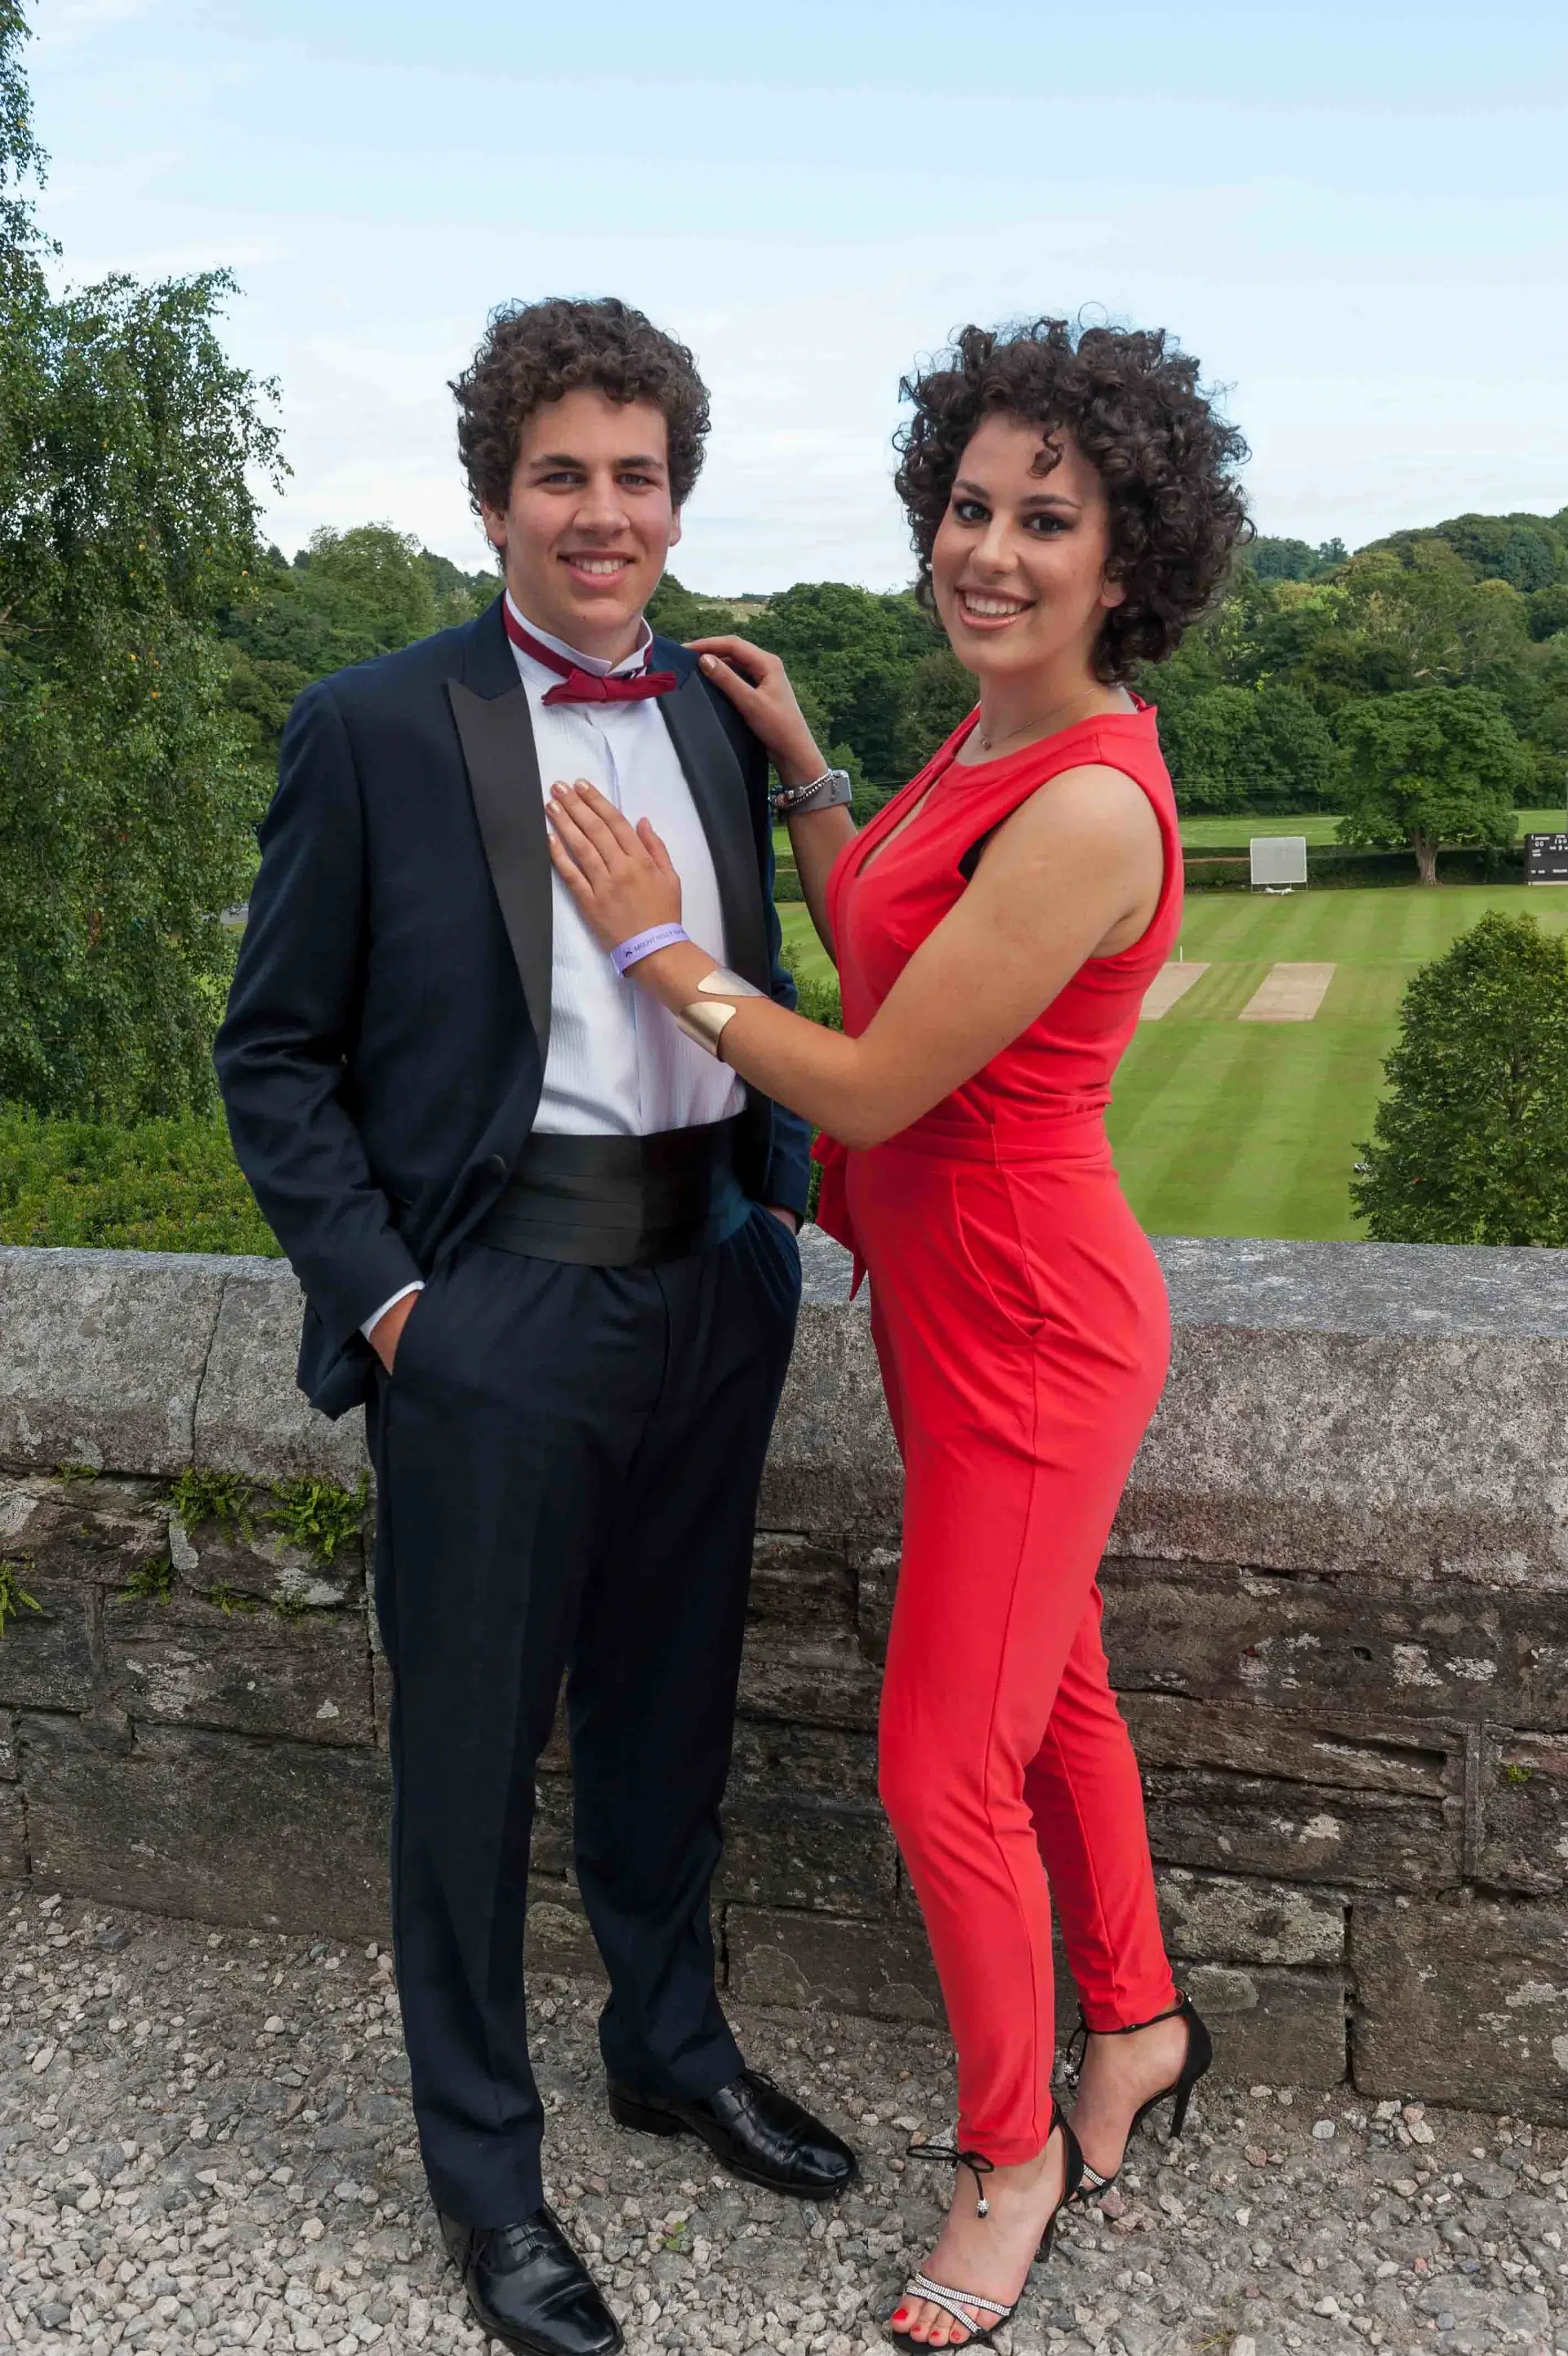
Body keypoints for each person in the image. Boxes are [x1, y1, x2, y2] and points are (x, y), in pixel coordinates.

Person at [542, 315, 1249, 2350]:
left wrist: (658, 939)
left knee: (942, 1759)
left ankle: (1008, 2151)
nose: (993, 552)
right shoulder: (987, 732)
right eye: (970, 506)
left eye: (1050, 520)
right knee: (1058, 1700)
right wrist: (812, 773)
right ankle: (1139, 2023)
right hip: (953, 1310)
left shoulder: (1095, 800)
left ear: (1133, 561)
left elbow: (866, 1082)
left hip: (1031, 1325)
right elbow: (895, 937)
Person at [214, 295, 856, 2356]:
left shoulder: (710, 716)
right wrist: (402, 1307)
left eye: (637, 476)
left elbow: (743, 997)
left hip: (709, 1292)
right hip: (494, 1319)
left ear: (678, 498)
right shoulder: (375, 725)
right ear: (494, 493)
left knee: (672, 1725)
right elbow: (277, 1057)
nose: (603, 514)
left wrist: (779, 1223)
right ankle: (488, 2177)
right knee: (472, 1769)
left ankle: (668, 2046)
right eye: (562, 474)